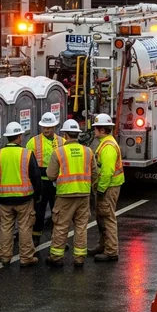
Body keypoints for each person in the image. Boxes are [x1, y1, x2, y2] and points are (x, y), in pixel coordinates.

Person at [0, 122, 43, 267]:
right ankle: (26, 258)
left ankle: (5, 257)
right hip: (24, 199)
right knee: (25, 227)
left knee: (6, 228)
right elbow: (36, 176)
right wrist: (37, 194)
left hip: (4, 199)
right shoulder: (26, 154)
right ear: (19, 137)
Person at [45, 120, 98, 268]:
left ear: (65, 134)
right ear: (78, 134)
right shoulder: (88, 151)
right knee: (81, 227)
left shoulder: (59, 152)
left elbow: (50, 175)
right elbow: (95, 174)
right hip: (83, 194)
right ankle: (79, 258)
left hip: (65, 195)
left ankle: (56, 257)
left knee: (61, 226)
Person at [26, 112, 66, 246]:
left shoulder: (62, 141)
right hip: (41, 183)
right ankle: (36, 237)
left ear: (54, 127)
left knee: (58, 212)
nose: (47, 130)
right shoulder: (33, 141)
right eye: (45, 127)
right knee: (38, 211)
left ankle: (58, 239)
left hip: (56, 182)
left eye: (49, 127)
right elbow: (28, 162)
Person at [90, 114, 125, 262]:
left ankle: (111, 251)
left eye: (96, 128)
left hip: (109, 187)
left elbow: (107, 172)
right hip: (109, 186)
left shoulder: (108, 146)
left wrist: (101, 189)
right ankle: (103, 245)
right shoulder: (106, 142)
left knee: (107, 217)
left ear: (102, 129)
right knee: (101, 217)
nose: (94, 131)